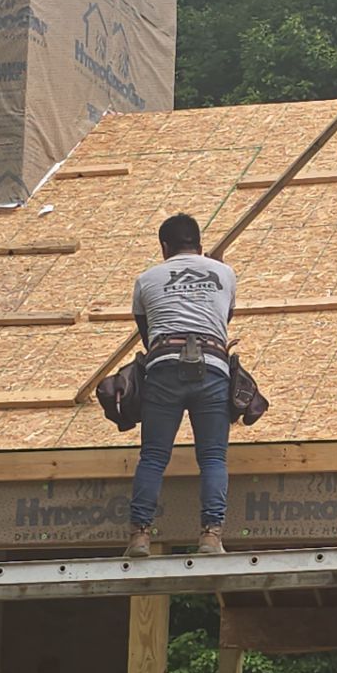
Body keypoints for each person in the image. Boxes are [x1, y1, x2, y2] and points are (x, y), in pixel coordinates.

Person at [125, 212, 236, 558]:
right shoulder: (225, 273)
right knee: (214, 457)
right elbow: (223, 319)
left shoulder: (147, 280)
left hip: (164, 369)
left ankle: (140, 537)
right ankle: (211, 537)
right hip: (213, 366)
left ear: (164, 247)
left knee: (154, 456)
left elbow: (148, 335)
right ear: (199, 244)